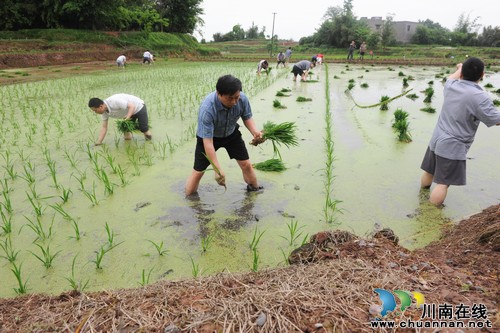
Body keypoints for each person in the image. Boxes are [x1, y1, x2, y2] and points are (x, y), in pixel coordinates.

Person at [420, 57, 500, 206]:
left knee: (429, 171)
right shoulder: (480, 97)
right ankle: (429, 211)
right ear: (482, 75)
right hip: (452, 146)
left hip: (436, 139)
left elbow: (452, 76)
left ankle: (421, 197)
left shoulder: (451, 85)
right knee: (443, 183)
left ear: (462, 72)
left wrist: (459, 68)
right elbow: (496, 120)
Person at [185, 75, 264, 196]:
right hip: (209, 139)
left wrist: (255, 132)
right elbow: (208, 143)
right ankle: (189, 198)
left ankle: (254, 190)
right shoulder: (208, 109)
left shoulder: (242, 99)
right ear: (218, 93)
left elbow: (247, 117)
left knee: (246, 165)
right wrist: (217, 169)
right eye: (230, 98)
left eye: (236, 97)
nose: (233, 102)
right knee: (198, 171)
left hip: (231, 134)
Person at [88, 94, 152, 145]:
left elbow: (132, 106)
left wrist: (127, 118)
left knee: (143, 128)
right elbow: (104, 127)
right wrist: (99, 142)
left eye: (95, 110)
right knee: (125, 128)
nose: (95, 112)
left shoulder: (114, 101)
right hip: (128, 112)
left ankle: (149, 143)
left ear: (101, 106)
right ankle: (129, 141)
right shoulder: (104, 113)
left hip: (138, 107)